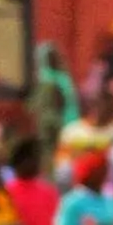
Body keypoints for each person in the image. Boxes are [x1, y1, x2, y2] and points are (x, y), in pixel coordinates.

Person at [28, 41, 80, 170]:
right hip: (69, 122)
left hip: (59, 123)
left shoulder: (49, 79)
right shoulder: (64, 77)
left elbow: (37, 104)